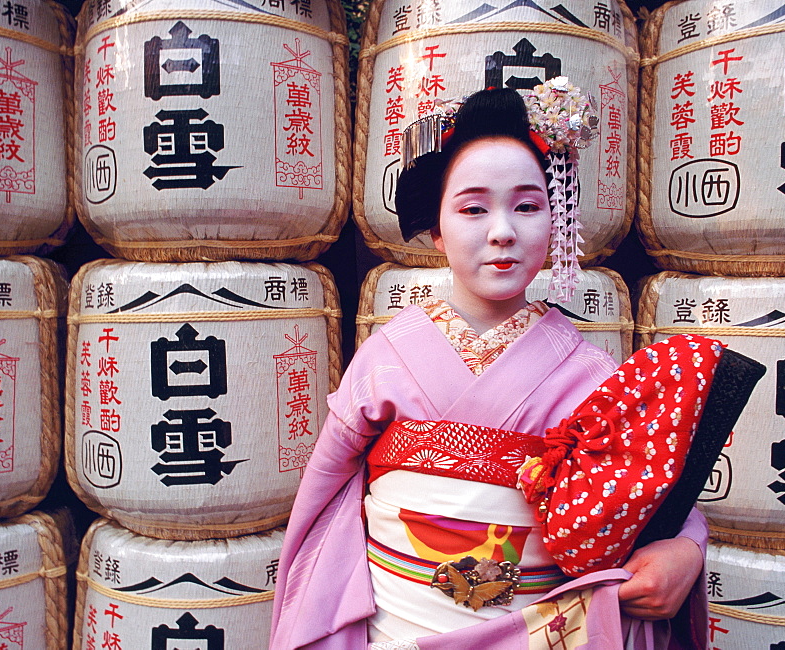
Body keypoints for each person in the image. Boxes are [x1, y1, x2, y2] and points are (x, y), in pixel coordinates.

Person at [270, 85, 708, 649]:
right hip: (395, 629)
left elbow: (656, 494)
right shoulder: (387, 357)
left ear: (557, 221)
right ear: (436, 228)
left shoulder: (593, 375)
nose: (502, 230)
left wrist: (686, 548)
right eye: (473, 208)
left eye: (528, 206)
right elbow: (322, 498)